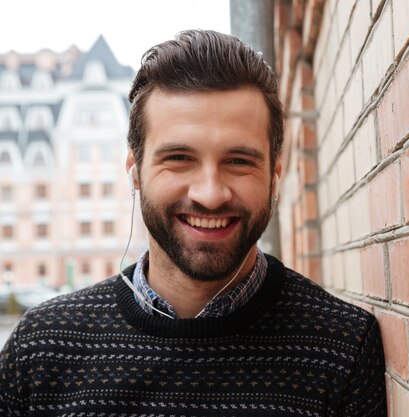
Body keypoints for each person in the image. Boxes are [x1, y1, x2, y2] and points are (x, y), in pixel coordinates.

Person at [0, 30, 387, 416]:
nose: (210, 193)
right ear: (134, 171)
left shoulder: (341, 349)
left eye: (238, 161)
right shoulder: (41, 350)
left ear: (275, 176)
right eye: (180, 158)